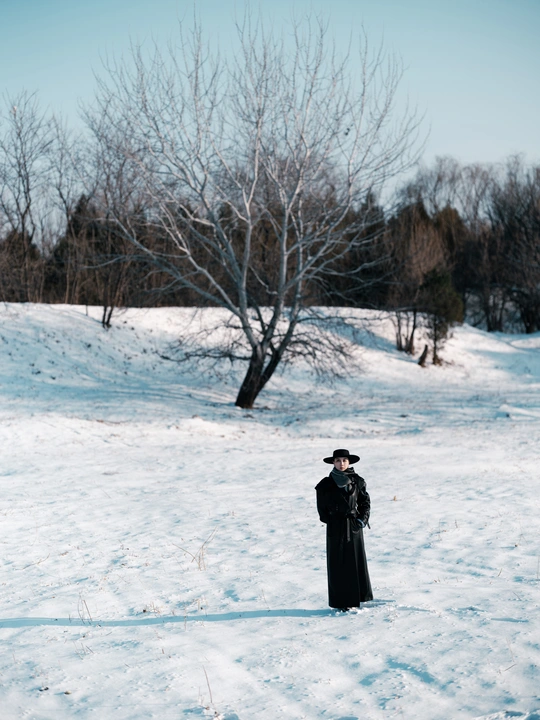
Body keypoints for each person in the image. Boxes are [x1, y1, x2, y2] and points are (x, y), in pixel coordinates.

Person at [315, 448, 373, 610]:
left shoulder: (358, 481)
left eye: (344, 460)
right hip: (336, 527)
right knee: (337, 563)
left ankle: (360, 596)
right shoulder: (325, 484)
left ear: (349, 462)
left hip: (354, 526)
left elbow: (365, 503)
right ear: (333, 463)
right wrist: (332, 520)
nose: (341, 464)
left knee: (355, 560)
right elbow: (321, 508)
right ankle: (341, 601)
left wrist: (361, 520)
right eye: (338, 460)